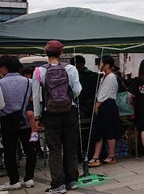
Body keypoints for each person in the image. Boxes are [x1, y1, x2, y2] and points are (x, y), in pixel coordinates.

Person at [32, 40, 82, 193]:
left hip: (51, 112)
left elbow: (36, 96)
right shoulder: (71, 68)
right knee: (70, 147)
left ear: (46, 53)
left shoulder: (39, 71)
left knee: (54, 149)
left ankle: (58, 185)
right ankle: (72, 181)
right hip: (69, 111)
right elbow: (77, 90)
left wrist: (37, 116)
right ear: (61, 53)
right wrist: (68, 98)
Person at [0, 56, 36, 191]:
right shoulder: (29, 82)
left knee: (9, 152)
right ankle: (29, 178)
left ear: (4, 68)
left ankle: (14, 180)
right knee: (30, 150)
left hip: (7, 121)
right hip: (26, 120)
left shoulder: (0, 83)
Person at [87, 55, 121, 167]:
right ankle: (96, 156)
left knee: (108, 130)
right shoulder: (103, 77)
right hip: (103, 104)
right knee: (99, 131)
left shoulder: (111, 77)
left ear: (107, 65)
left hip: (107, 105)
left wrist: (97, 105)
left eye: (101, 63)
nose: (99, 65)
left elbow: (105, 93)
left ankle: (111, 156)